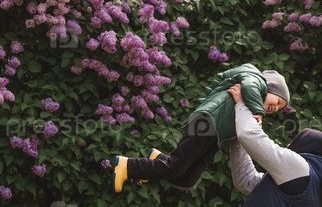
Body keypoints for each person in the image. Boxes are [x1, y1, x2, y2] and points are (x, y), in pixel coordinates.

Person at [112, 63, 290, 192]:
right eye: (277, 101)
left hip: (215, 135)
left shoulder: (250, 105)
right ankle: (127, 166)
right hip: (208, 122)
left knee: (187, 179)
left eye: (279, 109)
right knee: (175, 167)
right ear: (269, 88)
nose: (275, 108)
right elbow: (249, 86)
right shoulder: (256, 80)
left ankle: (157, 161)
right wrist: (258, 111)